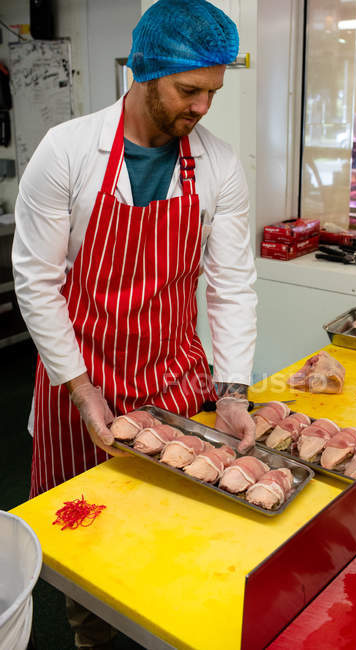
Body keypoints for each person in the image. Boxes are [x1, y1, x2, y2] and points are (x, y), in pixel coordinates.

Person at [13, 0, 257, 500]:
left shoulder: (220, 165)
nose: (203, 107)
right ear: (142, 71)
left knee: (170, 531)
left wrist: (234, 393)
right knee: (78, 532)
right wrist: (81, 390)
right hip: (82, 378)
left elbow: (231, 285)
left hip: (174, 381)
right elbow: (37, 282)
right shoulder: (66, 151)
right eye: (188, 91)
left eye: (212, 91)